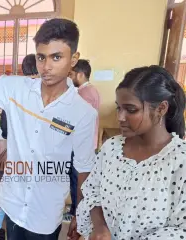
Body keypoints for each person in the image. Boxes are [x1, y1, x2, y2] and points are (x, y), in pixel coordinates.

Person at [0, 18, 97, 239]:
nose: (46, 67)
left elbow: (84, 169)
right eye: (41, 57)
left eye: (57, 57)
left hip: (45, 214)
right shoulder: (18, 90)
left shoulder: (82, 113)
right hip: (12, 204)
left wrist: (79, 213)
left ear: (74, 58)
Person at [76, 65, 186, 240]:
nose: (120, 117)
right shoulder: (111, 148)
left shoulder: (180, 161)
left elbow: (181, 230)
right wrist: (100, 227)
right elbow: (92, 191)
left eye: (131, 110)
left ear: (161, 109)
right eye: (119, 108)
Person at [65, 59, 101, 221]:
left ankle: (75, 213)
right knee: (79, 180)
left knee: (77, 180)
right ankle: (76, 210)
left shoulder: (83, 94)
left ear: (80, 74)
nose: (69, 78)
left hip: (80, 145)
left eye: (71, 74)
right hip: (87, 143)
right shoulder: (92, 91)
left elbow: (75, 122)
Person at [0, 54, 39, 140]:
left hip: (16, 143)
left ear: (23, 69)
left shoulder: (13, 88)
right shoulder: (47, 89)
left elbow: (5, 124)